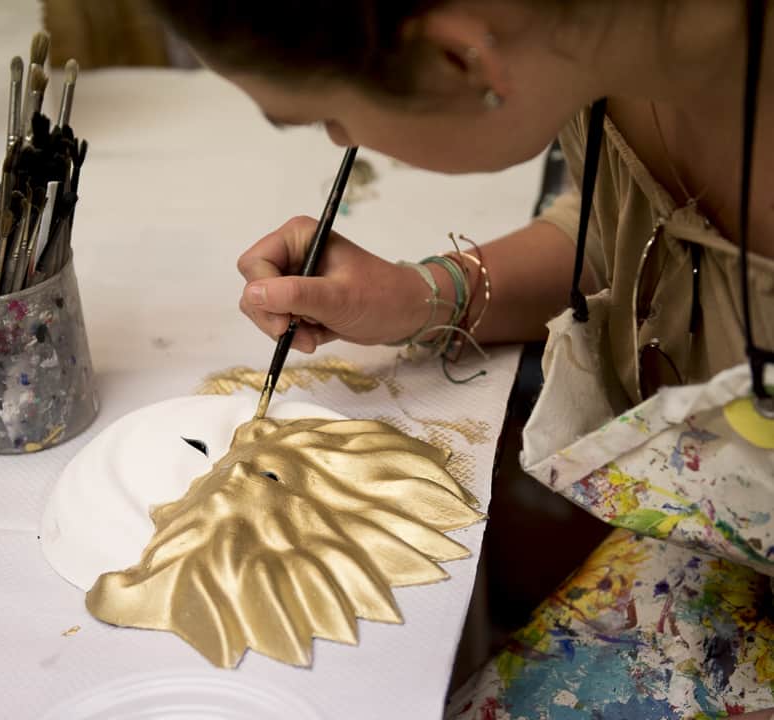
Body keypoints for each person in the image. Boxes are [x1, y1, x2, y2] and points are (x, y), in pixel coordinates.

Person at [147, 1, 774, 717]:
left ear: (462, 58)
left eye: (328, 119)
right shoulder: (613, 40)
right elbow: (621, 225)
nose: (340, 140)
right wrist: (422, 293)